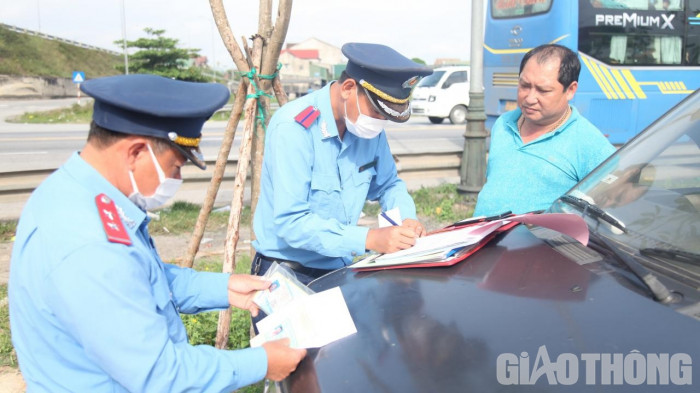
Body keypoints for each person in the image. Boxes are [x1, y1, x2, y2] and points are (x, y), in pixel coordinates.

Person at [8, 74, 306, 392]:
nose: (176, 179)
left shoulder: (79, 192)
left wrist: (224, 287)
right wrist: (261, 362)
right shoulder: (90, 244)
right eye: (175, 166)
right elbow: (160, 375)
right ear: (136, 153)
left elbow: (140, 278)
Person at [251, 42, 433, 286]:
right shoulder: (294, 129)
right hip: (287, 274)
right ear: (348, 88)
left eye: (386, 117)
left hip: (338, 267)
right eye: (377, 113)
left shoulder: (367, 128)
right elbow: (291, 223)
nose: (379, 123)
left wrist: (405, 219)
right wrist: (369, 239)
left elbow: (388, 184)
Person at [473, 44, 616, 216]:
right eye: (524, 85)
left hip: (538, 242)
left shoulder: (589, 142)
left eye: (543, 90)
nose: (530, 98)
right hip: (482, 239)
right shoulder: (503, 123)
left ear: (570, 90)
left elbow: (614, 201)